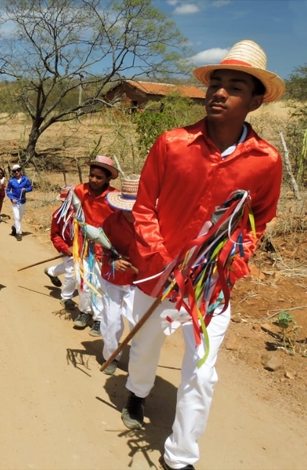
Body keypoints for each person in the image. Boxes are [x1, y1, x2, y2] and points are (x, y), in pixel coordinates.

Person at [119, 40, 284, 470]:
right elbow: (144, 207)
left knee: (202, 373)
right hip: (158, 275)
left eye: (234, 87)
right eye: (216, 83)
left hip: (211, 287)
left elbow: (258, 222)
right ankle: (136, 393)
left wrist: (229, 259)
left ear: (255, 100)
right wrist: (160, 258)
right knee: (145, 347)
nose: (220, 93)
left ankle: (180, 457)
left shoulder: (266, 161)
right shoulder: (172, 144)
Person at [72, 155, 119, 337]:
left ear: (108, 179)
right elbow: (73, 215)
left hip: (103, 248)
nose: (93, 180)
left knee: (99, 283)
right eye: (91, 175)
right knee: (82, 279)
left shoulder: (114, 197)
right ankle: (84, 311)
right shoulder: (79, 191)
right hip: (82, 245)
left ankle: (99, 318)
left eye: (99, 177)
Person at [98, 175, 140, 375]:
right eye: (126, 207)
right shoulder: (110, 222)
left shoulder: (152, 223)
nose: (130, 213)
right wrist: (113, 261)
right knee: (112, 319)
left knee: (138, 322)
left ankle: (139, 363)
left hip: (139, 281)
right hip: (112, 278)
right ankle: (111, 356)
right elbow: (101, 249)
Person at [44, 185, 77, 310]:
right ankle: (66, 297)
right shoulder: (57, 215)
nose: (64, 203)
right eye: (62, 201)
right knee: (72, 272)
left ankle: (51, 271)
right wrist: (66, 248)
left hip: (82, 248)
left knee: (76, 268)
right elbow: (54, 235)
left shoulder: (83, 213)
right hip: (67, 248)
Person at [6, 164, 33, 241]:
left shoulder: (26, 179)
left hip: (23, 201)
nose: (16, 172)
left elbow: (30, 188)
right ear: (13, 172)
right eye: (14, 171)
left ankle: (14, 226)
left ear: (20, 170)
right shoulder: (11, 181)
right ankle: (19, 233)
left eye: (18, 170)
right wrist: (11, 198)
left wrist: (26, 190)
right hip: (15, 201)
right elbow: (8, 191)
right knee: (16, 217)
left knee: (20, 218)